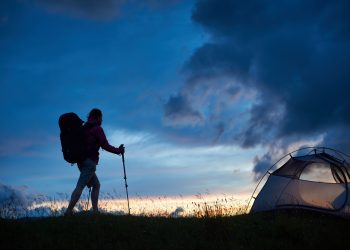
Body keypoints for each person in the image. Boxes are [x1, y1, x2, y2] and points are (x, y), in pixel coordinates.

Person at [65, 108, 124, 215]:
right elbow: (105, 145)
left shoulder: (84, 128)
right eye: (101, 117)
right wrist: (118, 151)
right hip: (89, 163)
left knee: (96, 185)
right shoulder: (97, 129)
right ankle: (68, 211)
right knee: (80, 186)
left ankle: (95, 211)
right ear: (98, 117)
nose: (102, 119)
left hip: (80, 161)